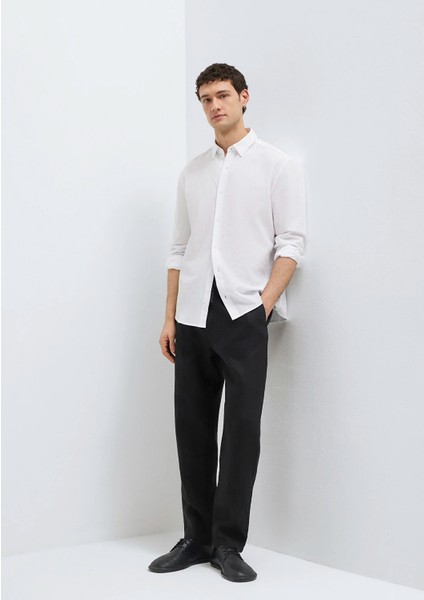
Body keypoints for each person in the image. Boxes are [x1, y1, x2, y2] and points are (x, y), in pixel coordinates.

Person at [148, 63, 307, 583]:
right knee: (192, 428)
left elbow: (292, 244)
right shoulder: (192, 172)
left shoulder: (278, 166)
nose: (214, 106)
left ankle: (227, 545)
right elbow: (178, 248)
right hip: (191, 314)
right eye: (205, 99)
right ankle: (195, 539)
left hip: (243, 313)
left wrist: (262, 306)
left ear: (243, 97)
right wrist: (170, 316)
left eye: (222, 95)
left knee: (241, 432)